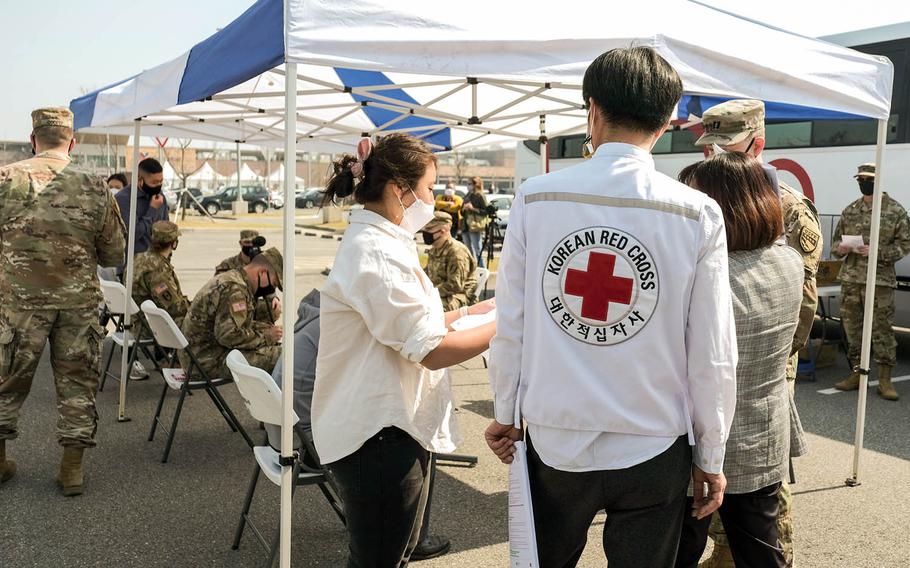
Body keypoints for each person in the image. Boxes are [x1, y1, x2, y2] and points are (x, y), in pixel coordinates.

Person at [485, 47, 737, 567]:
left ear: (592, 110)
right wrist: (710, 454)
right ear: (668, 121)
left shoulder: (536, 198)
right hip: (654, 446)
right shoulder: (697, 213)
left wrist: (506, 413)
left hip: (556, 440)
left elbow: (512, 323)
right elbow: (712, 352)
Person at [312, 134, 496, 567]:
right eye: (430, 189)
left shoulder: (387, 241)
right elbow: (430, 347)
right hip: (377, 434)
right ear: (400, 190)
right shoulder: (375, 251)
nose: (433, 200)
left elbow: (415, 323)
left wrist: (476, 311)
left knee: (395, 552)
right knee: (381, 558)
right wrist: (507, 324)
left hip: (390, 426)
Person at [694, 98, 821, 568]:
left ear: (759, 144)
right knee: (711, 462)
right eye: (712, 147)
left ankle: (761, 551)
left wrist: (778, 356)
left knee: (761, 475)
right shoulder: (702, 194)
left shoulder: (788, 207)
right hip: (714, 352)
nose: (718, 157)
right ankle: (724, 548)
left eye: (729, 148)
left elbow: (802, 300)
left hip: (766, 360)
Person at [674, 153, 803, 568]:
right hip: (762, 434)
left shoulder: (706, 276)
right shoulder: (789, 261)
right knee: (762, 552)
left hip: (698, 440)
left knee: (678, 550)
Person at [268, 289, 452, 561]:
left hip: (279, 435)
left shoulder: (313, 320)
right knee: (418, 434)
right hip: (303, 445)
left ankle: (385, 529)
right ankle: (415, 539)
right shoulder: (338, 326)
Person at [0, 107, 126, 496]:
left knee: (5, 382)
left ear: (32, 139)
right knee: (77, 385)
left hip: (19, 304)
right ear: (71, 142)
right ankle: (72, 470)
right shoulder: (94, 184)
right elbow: (113, 254)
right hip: (78, 305)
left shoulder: (6, 178)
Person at [832, 163, 910, 400]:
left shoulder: (895, 211)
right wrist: (842, 248)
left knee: (881, 331)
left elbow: (905, 245)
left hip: (880, 282)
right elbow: (835, 245)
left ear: (878, 181)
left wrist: (877, 251)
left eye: (868, 179)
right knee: (853, 330)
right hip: (852, 280)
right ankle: (857, 374)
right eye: (860, 179)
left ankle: (885, 381)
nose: (863, 183)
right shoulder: (850, 210)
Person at [180, 248, 284, 380]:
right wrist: (267, 336)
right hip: (205, 361)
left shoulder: (234, 277)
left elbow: (238, 325)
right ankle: (277, 400)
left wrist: (265, 330)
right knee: (284, 357)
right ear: (262, 273)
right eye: (273, 283)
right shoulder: (235, 290)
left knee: (276, 351)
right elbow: (228, 336)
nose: (271, 289)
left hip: (198, 354)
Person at [115, 157, 169, 274]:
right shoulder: (124, 199)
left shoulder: (159, 196)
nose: (158, 186)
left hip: (156, 267)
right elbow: (132, 235)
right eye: (154, 182)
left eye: (161, 181)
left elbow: (166, 230)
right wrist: (152, 210)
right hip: (132, 271)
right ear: (139, 180)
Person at [132, 221, 190, 329]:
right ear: (174, 243)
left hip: (137, 322)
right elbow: (173, 308)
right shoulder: (157, 269)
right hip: (151, 327)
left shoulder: (138, 258)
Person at [215, 230, 281, 323]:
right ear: (240, 243)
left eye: (253, 242)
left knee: (273, 308)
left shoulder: (262, 262)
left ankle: (262, 331)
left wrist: (274, 298)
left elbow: (268, 286)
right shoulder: (227, 264)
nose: (250, 246)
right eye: (247, 242)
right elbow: (218, 290)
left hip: (253, 302)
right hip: (234, 303)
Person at [422, 211, 478, 311]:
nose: (425, 232)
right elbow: (426, 275)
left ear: (442, 231)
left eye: (429, 229)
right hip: (439, 294)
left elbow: (455, 285)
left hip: (460, 297)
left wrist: (430, 293)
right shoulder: (435, 249)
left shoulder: (457, 252)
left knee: (428, 310)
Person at [461, 176, 489, 267]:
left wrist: (472, 208)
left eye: (469, 184)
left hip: (475, 226)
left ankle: (482, 270)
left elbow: (485, 212)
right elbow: (462, 210)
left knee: (478, 250)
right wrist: (464, 208)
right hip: (465, 226)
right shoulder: (468, 194)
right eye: (467, 184)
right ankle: (471, 270)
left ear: (475, 184)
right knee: (468, 251)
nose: (468, 186)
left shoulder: (480, 195)